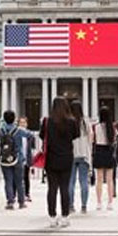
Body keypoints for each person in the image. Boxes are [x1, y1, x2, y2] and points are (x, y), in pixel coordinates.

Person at [40, 97, 79, 228]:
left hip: (51, 158)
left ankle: (52, 217)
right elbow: (75, 135)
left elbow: (42, 136)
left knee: (52, 188)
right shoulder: (71, 121)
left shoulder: (47, 121)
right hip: (66, 157)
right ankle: (65, 216)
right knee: (64, 188)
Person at [0, 110, 35, 209]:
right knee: (19, 181)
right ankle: (21, 202)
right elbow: (30, 135)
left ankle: (10, 201)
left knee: (8, 181)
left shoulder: (1, 130)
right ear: (14, 119)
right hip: (18, 158)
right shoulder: (19, 130)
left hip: (5, 158)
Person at [69, 101, 93, 214]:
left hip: (71, 153)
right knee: (84, 181)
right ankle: (84, 206)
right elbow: (91, 137)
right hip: (84, 153)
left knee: (71, 181)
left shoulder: (68, 121)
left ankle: (71, 205)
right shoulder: (85, 121)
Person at [93, 106, 116, 211]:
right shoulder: (112, 127)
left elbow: (93, 139)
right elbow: (115, 140)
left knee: (99, 179)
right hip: (109, 151)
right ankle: (110, 202)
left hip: (99, 150)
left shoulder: (96, 127)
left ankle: (99, 202)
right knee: (110, 179)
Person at [19, 117, 34, 203]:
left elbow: (30, 149)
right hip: (19, 158)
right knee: (17, 177)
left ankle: (27, 193)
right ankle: (17, 194)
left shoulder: (29, 135)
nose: (22, 124)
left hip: (26, 157)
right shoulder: (17, 133)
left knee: (26, 177)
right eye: (21, 123)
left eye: (24, 123)